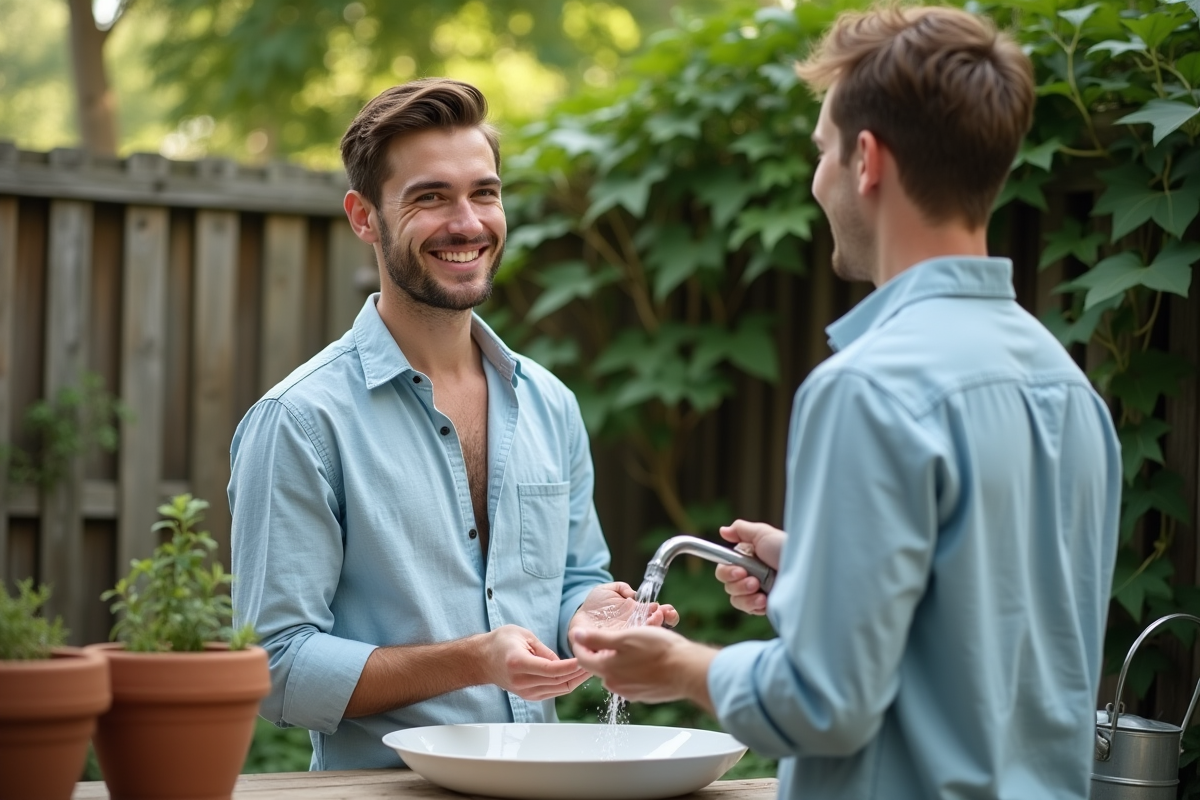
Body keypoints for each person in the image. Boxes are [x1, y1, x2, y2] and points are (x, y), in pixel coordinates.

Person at [573, 7, 1120, 800]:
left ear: (867, 160)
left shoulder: (865, 388)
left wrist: (684, 668)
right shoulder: (1069, 391)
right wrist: (814, 570)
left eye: (822, 152)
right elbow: (996, 635)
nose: (815, 179)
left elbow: (828, 703)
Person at [229, 78, 675, 771]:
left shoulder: (549, 403)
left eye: (485, 193)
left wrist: (592, 614)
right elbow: (276, 666)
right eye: (430, 197)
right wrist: (473, 660)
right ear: (364, 217)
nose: (467, 223)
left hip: (544, 786)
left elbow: (572, 576)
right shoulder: (300, 422)